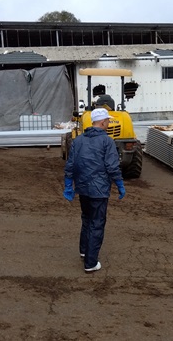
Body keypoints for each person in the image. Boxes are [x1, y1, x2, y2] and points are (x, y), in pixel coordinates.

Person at [63, 107, 126, 272]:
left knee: (86, 219)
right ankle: (91, 263)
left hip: (83, 188)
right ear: (103, 122)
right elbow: (112, 166)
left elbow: (70, 165)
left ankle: (84, 250)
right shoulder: (107, 141)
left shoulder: (78, 141)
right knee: (97, 223)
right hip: (99, 189)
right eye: (108, 121)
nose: (109, 123)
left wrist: (69, 184)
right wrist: (119, 184)